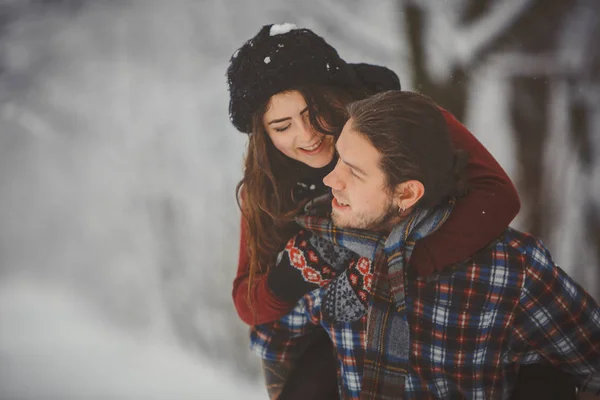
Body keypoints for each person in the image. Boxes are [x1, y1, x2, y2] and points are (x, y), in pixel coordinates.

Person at [249, 90, 600, 399]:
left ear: (406, 193)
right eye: (339, 157)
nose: (330, 179)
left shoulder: (509, 271)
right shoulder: (327, 251)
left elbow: (592, 363)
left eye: (354, 172)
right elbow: (272, 341)